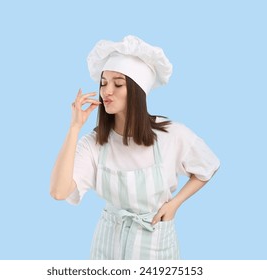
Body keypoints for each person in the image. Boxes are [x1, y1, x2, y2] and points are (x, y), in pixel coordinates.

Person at [50, 35, 220, 260]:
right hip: (108, 242)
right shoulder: (94, 142)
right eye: (103, 83)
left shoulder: (171, 135)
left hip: (155, 241)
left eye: (118, 84)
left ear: (138, 91)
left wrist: (175, 203)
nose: (106, 91)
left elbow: (208, 166)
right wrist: (74, 128)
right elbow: (59, 192)